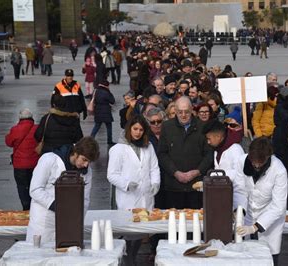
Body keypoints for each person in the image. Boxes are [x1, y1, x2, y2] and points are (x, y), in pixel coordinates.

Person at [107, 115, 160, 266]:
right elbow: (111, 174)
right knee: (128, 230)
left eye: (141, 130)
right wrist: (126, 184)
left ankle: (132, 257)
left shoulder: (148, 146)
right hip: (128, 196)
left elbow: (154, 167)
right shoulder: (118, 149)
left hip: (145, 194)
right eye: (135, 129)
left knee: (141, 231)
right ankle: (127, 258)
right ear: (129, 129)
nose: (137, 132)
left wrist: (155, 182)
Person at [26, 137, 100, 243]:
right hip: (43, 221)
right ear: (76, 152)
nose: (86, 165)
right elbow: (35, 189)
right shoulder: (49, 160)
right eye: (84, 159)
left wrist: (78, 219)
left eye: (89, 162)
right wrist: (56, 205)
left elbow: (85, 199)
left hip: (68, 223)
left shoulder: (87, 172)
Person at [234, 137, 288, 265]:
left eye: (260, 162)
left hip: (269, 215)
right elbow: (239, 190)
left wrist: (255, 227)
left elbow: (278, 206)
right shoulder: (242, 161)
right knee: (245, 256)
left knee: (269, 257)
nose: (257, 165)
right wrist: (238, 210)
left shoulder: (279, 170)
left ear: (269, 156)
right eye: (254, 162)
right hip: (248, 212)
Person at [157, 96, 213, 209]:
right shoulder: (167, 127)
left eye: (186, 112)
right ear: (175, 111)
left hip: (197, 186)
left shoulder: (203, 127)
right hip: (173, 186)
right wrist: (175, 172)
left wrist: (198, 171)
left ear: (192, 110)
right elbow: (162, 154)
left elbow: (209, 154)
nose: (183, 115)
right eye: (180, 112)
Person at [203, 120, 245, 207]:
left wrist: (215, 177)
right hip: (223, 196)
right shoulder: (217, 150)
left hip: (237, 199)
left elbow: (240, 173)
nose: (208, 142)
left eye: (209, 139)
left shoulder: (235, 149)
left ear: (218, 136)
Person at [5, 108, 39, 210]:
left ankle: (26, 206)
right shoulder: (37, 128)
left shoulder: (15, 129)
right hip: (35, 163)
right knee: (34, 185)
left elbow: (9, 143)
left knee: (21, 186)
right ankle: (34, 206)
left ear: (20, 118)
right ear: (31, 117)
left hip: (19, 164)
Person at [90, 80, 116, 145]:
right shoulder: (106, 92)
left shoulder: (95, 91)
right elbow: (112, 101)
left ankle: (90, 139)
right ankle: (109, 141)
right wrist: (109, 91)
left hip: (98, 110)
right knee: (109, 127)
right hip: (106, 111)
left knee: (97, 126)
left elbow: (92, 99)